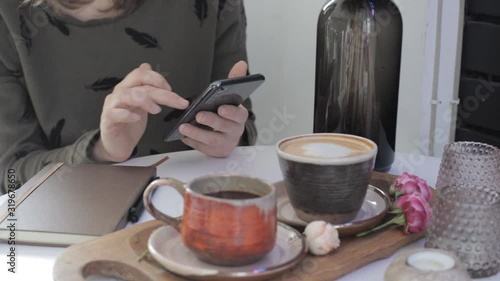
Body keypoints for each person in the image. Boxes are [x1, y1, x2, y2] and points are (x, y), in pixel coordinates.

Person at [0, 0, 257, 193]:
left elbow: (244, 128)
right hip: (68, 223)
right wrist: (102, 149)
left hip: (195, 210)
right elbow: (10, 175)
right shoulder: (8, 15)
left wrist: (229, 136)